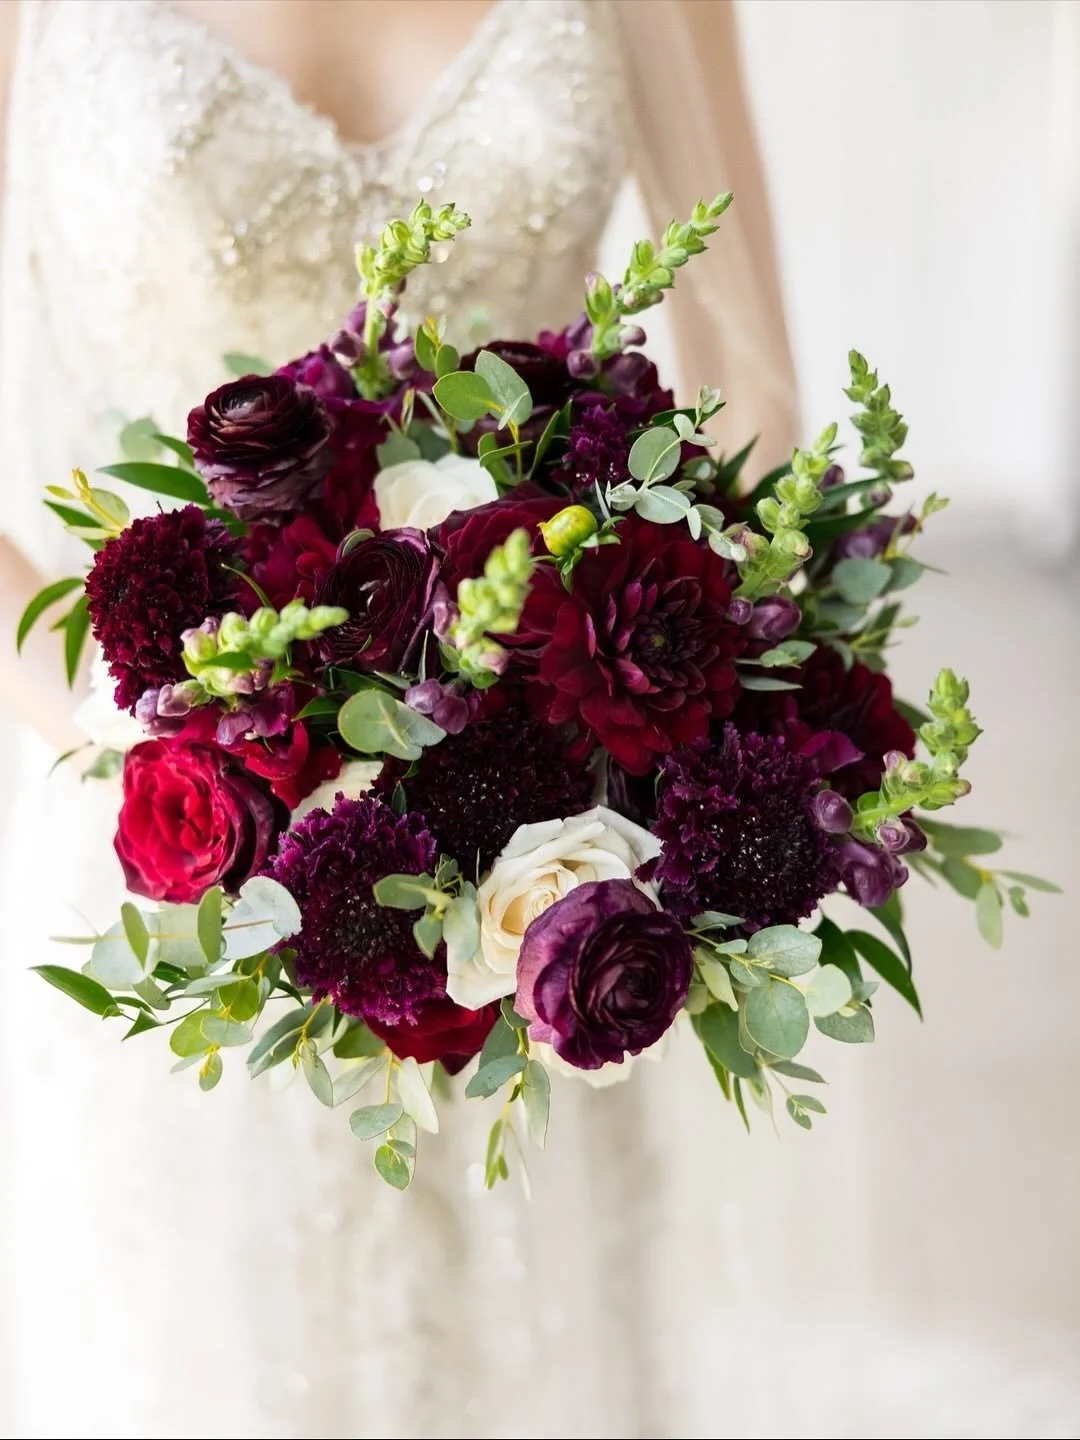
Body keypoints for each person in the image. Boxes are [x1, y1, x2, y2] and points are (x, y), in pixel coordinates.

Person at [4, 5, 1071, 1439]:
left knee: (525, 1336)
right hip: (165, 845)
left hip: (546, 869)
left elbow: (752, 390)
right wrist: (134, 736)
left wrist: (656, 743)